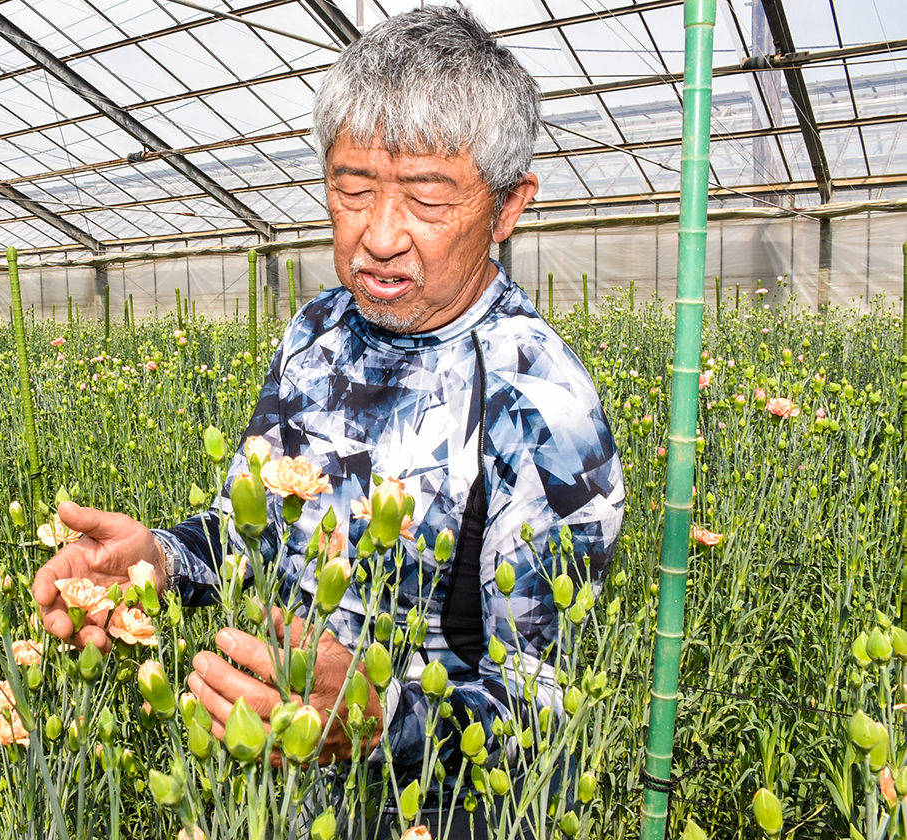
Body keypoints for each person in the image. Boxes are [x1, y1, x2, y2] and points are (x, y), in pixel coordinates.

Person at [33, 3, 624, 831]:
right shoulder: (317, 331)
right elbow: (249, 532)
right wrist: (157, 562)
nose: (379, 236)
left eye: (426, 199)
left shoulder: (540, 403)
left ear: (507, 207)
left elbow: (552, 699)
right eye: (351, 189)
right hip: (278, 792)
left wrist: (383, 717)